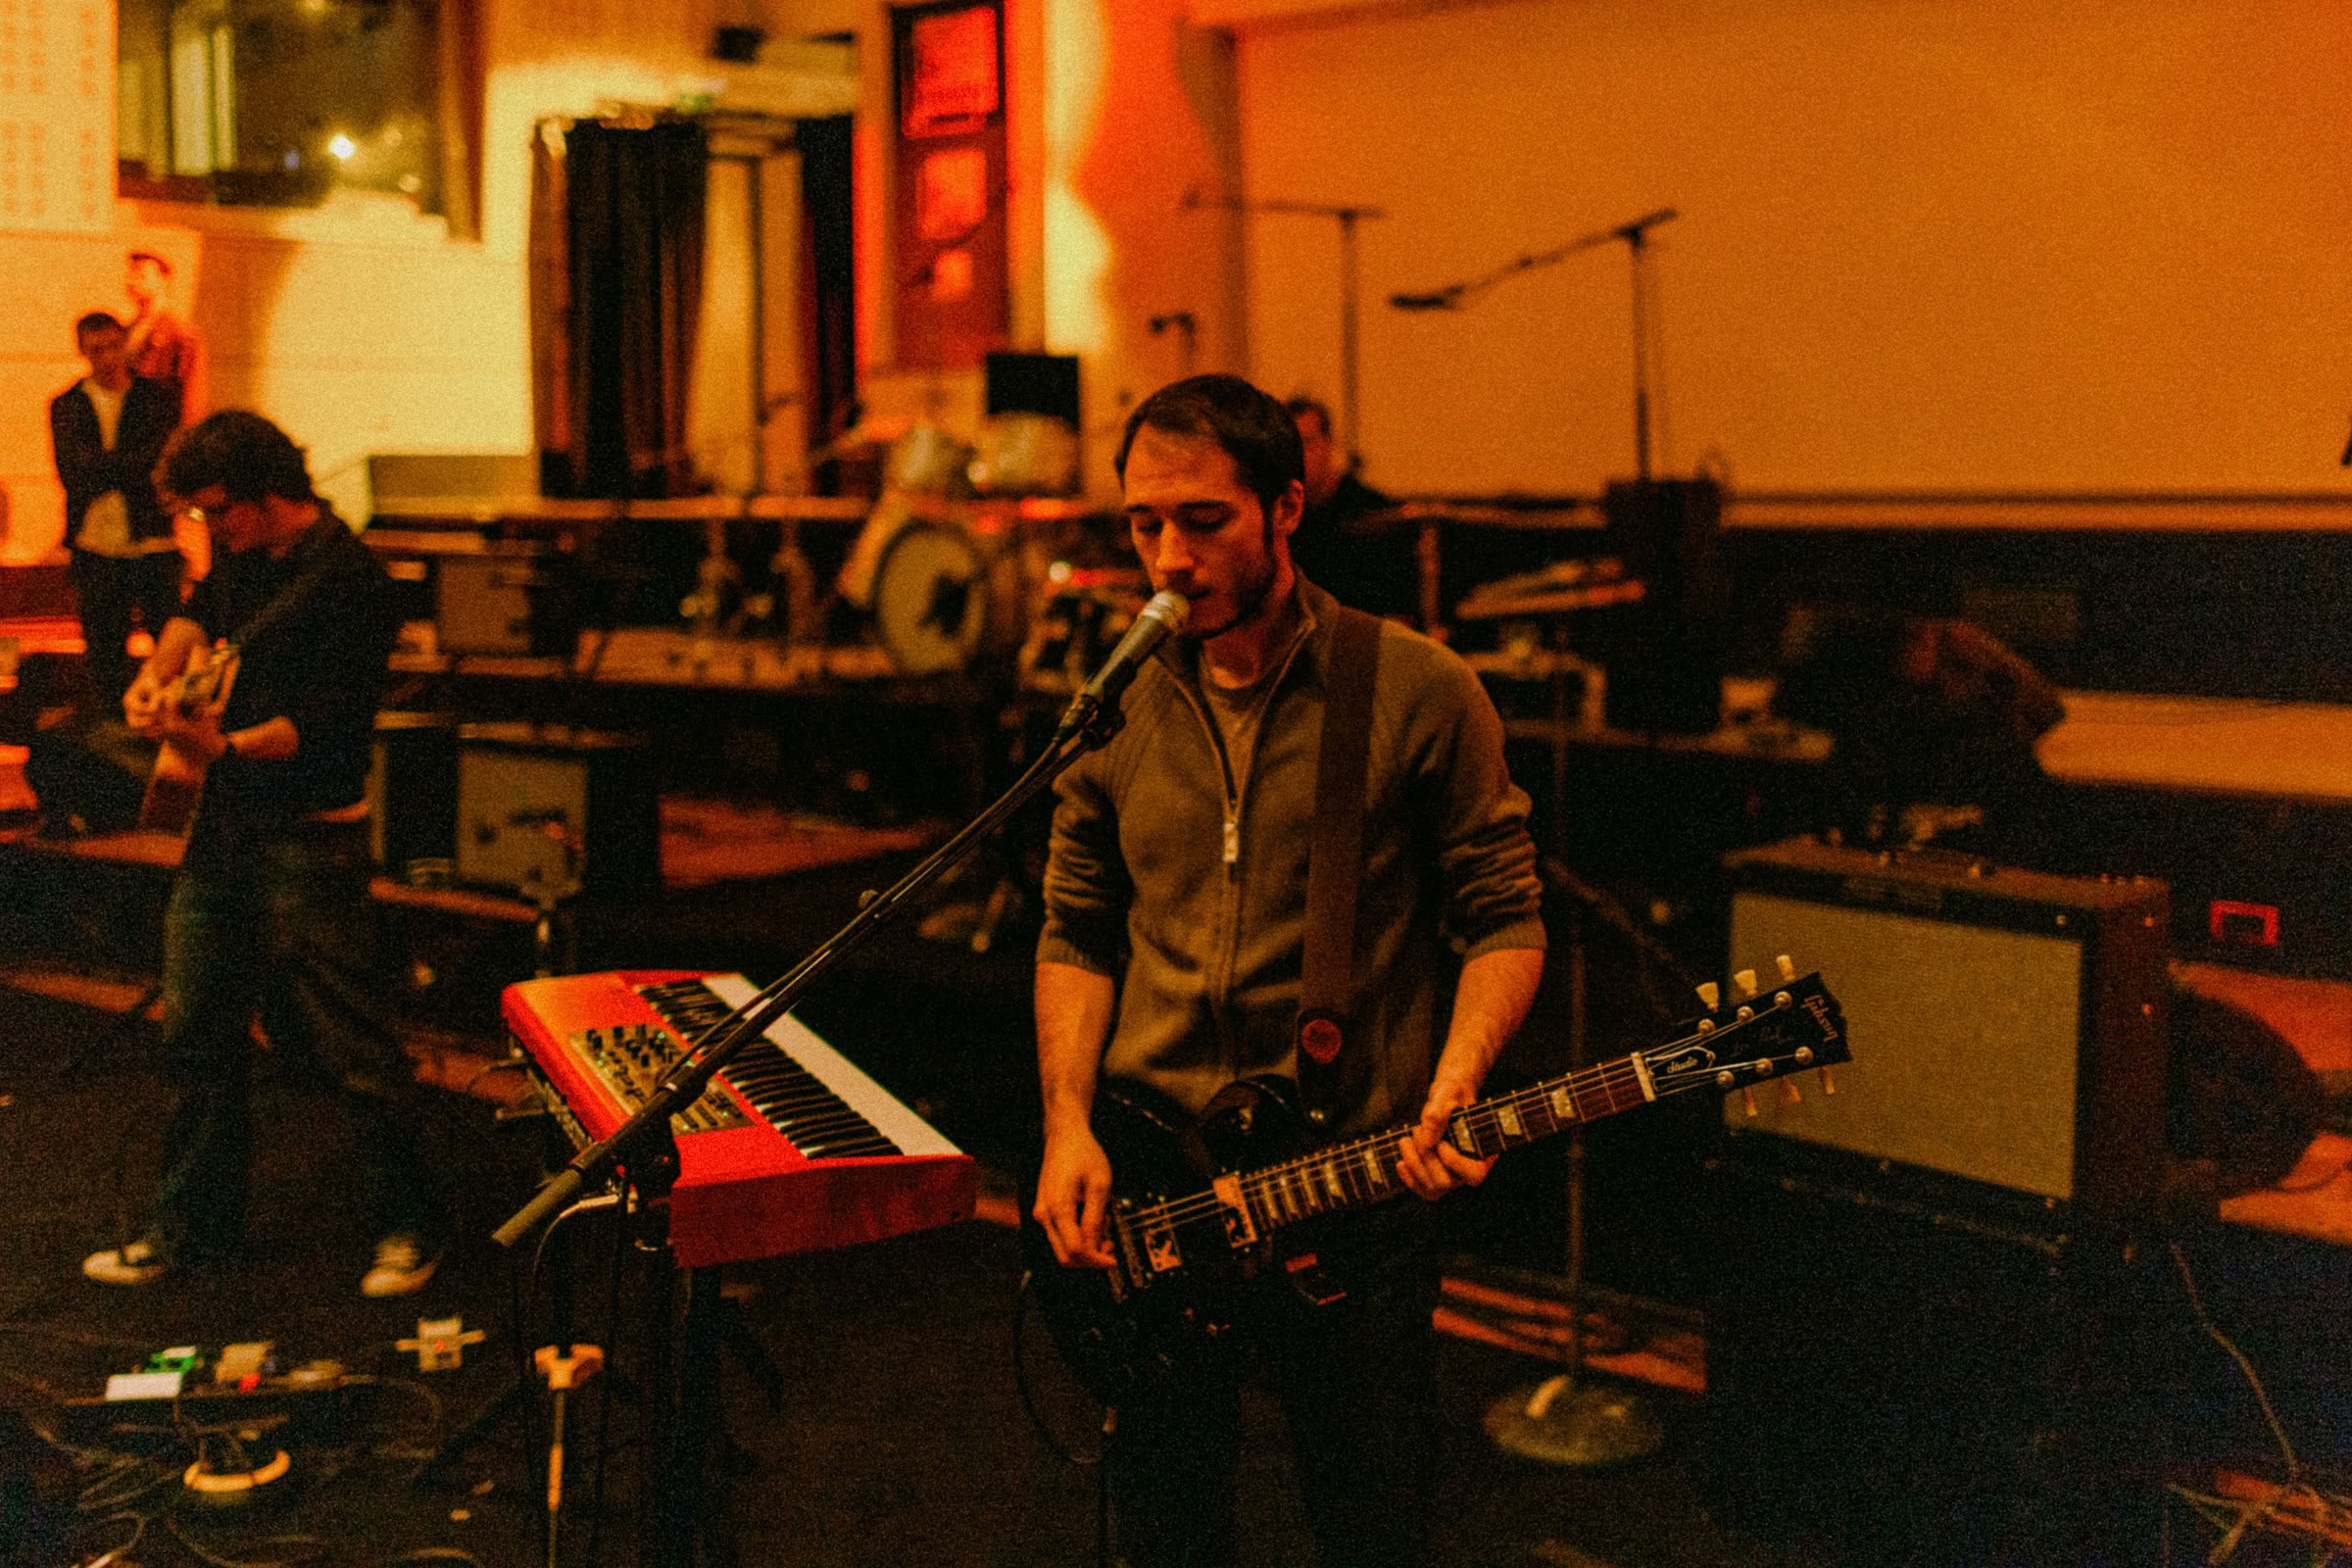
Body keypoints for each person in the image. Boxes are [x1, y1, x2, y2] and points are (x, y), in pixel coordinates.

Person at [1032, 374, 1545, 1566]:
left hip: (1350, 1191)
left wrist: (1456, 1081)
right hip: (1155, 1181)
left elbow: (1506, 918)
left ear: (1288, 506)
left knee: (1370, 1519)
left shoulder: (1416, 689)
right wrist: (1068, 1123)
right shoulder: (1109, 711)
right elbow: (1076, 930)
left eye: (1204, 520)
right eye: (1143, 523)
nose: (1169, 555)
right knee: (1165, 1523)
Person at [81, 411, 445, 1298]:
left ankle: (411, 1224)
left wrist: (220, 748)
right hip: (227, 828)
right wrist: (156, 680)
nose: (210, 530)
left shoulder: (352, 582)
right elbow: (193, 617)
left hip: (311, 831)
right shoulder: (241, 558)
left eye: (218, 512)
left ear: (271, 494)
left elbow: (319, 731)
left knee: (349, 1041)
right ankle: (190, 1227)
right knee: (197, 1029)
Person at [49, 312, 184, 704]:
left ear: (124, 345)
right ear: (83, 352)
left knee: (168, 642)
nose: (107, 357)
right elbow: (72, 472)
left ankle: (165, 721)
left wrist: (104, 465)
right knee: (103, 647)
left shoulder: (154, 399)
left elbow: (157, 464)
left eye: (113, 346)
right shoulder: (68, 405)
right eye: (96, 350)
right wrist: (127, 464)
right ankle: (109, 730)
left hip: (151, 539)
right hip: (95, 543)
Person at [1284, 394, 1417, 623]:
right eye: (1288, 446)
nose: (1298, 456)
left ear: (1329, 443)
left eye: (1307, 443)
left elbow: (1400, 606)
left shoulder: (1373, 511)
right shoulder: (1283, 517)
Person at [122, 250, 207, 420]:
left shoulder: (181, 336)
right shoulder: (125, 332)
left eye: (141, 274)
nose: (131, 280)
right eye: (131, 273)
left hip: (162, 434)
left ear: (162, 281)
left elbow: (192, 401)